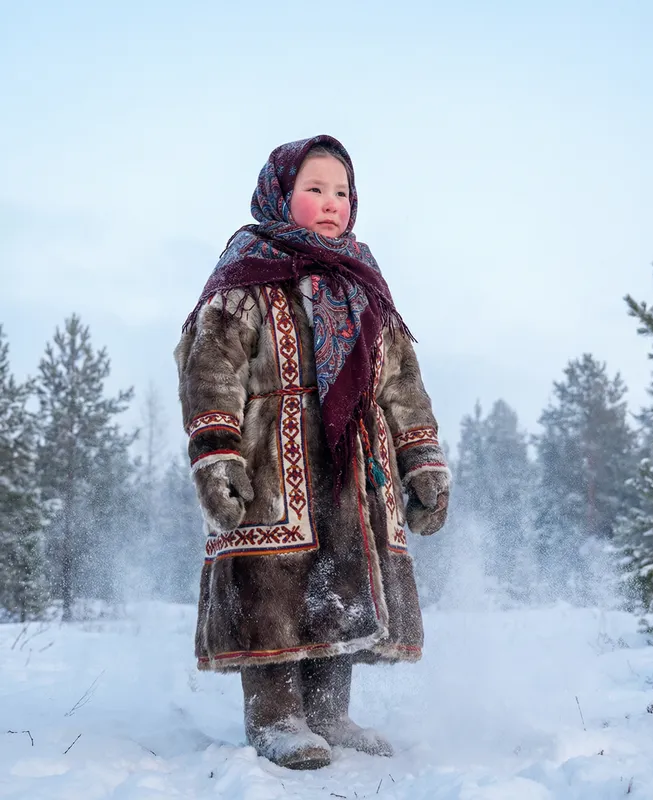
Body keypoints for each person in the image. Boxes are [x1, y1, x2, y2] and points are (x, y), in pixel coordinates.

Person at [174, 135, 450, 770]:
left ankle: (329, 712)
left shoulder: (368, 289)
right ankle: (274, 717)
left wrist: (422, 460)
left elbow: (402, 383)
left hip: (354, 464)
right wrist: (217, 455)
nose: (331, 203)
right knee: (273, 583)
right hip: (273, 459)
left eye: (342, 192)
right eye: (314, 189)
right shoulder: (244, 279)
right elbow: (210, 369)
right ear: (280, 194)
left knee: (340, 583)